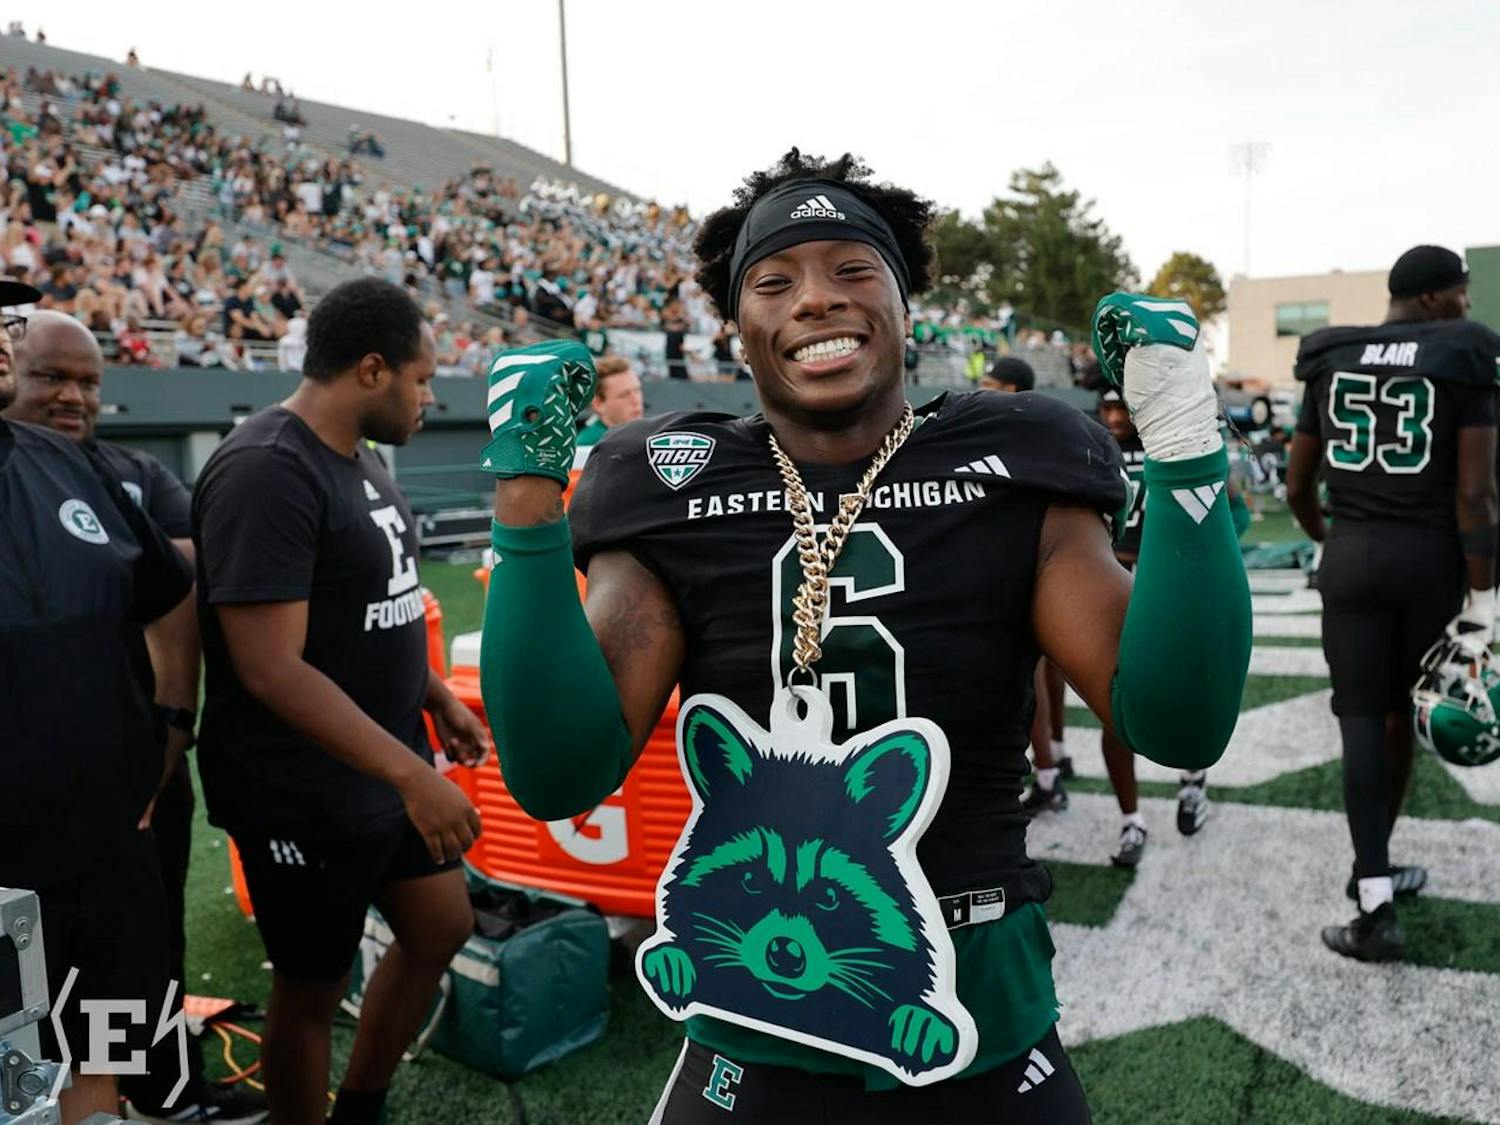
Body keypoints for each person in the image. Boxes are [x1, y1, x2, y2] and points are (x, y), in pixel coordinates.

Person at [477, 151, 1251, 1120]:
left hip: (973, 1011)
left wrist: (1183, 446)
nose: (815, 300)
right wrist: (524, 497)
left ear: (904, 301)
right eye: (776, 280)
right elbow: (558, 773)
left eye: (853, 269)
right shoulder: (668, 483)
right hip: (746, 1025)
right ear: (738, 327)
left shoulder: (1013, 461)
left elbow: (1181, 722)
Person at [192, 278, 491, 1125]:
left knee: (440, 925)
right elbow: (271, 669)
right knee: (310, 988)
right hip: (303, 786)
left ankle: (361, 1107)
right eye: (422, 380)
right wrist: (413, 776)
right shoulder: (266, 470)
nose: (430, 397)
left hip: (386, 759)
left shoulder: (355, 459)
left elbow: (377, 603)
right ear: (371, 369)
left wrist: (437, 696)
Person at [0, 310, 266, 1122]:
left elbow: (162, 593)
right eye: (55, 376)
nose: (73, 395)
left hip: (110, 846)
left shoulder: (73, 467)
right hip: (10, 868)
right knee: (22, 1072)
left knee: (105, 1042)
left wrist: (160, 737)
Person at [1286, 244, 1499, 962]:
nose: (1467, 306)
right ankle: (1373, 871)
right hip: (1430, 559)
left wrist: (1334, 542)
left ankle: (1372, 889)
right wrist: (1483, 594)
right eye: (1462, 294)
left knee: (1357, 721)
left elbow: (1295, 487)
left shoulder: (1331, 356)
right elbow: (1475, 494)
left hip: (1351, 553)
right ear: (1436, 298)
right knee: (1402, 715)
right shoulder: (1462, 354)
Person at [1093, 388, 1249, 863]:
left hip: (1168, 579)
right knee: (1112, 701)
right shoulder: (1093, 446)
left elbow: (1234, 511)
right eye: (1109, 408)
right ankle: (1130, 819)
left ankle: (1192, 779)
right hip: (1114, 575)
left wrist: (1200, 557)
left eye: (1124, 407)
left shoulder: (1173, 442)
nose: (1117, 417)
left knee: (1190, 687)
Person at [973, 355, 1071, 814]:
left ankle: (1048, 774)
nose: (979, 389)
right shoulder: (1028, 431)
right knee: (1044, 676)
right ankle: (1056, 758)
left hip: (1023, 571)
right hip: (1025, 569)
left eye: (988, 384)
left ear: (1011, 391)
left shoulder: (1021, 435)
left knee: (1027, 681)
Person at [574, 354, 644, 469]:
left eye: (637, 390)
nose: (635, 400)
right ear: (598, 404)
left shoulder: (637, 435)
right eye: (624, 395)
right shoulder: (588, 447)